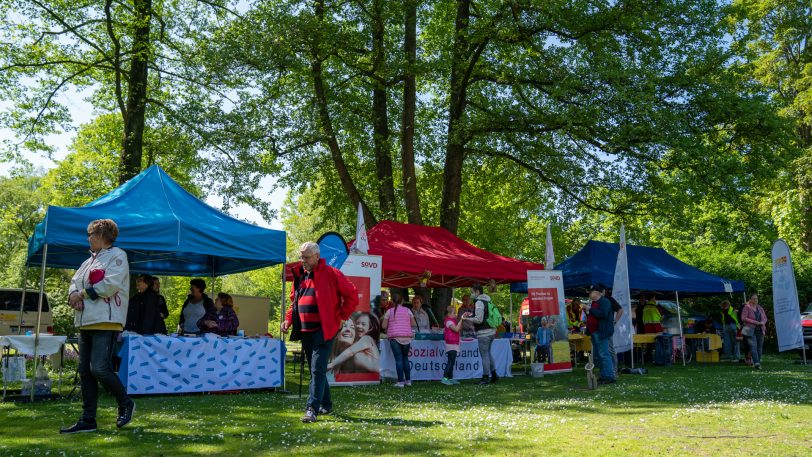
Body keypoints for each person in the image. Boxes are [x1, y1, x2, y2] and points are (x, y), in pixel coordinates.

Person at [61, 219, 135, 434]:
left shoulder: (117, 255)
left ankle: (126, 403)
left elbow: (110, 284)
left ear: (101, 235)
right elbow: (74, 283)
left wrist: (82, 294)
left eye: (91, 234)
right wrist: (72, 297)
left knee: (99, 368)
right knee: (85, 371)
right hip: (85, 321)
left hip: (107, 320)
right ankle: (88, 419)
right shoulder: (87, 262)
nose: (88, 238)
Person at [281, 241, 358, 423]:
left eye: (306, 257)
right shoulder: (300, 275)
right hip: (306, 329)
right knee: (318, 369)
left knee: (316, 369)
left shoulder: (332, 273)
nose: (303, 260)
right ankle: (327, 404)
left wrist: (342, 316)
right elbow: (295, 302)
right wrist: (288, 319)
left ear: (317, 256)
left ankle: (311, 409)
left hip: (324, 330)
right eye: (301, 257)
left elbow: (352, 295)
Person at [462, 283, 497, 385]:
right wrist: (472, 314)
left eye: (472, 292)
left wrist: (466, 318)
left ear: (477, 292)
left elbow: (479, 319)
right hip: (491, 331)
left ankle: (485, 377)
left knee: (484, 355)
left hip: (483, 332)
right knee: (488, 353)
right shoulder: (488, 300)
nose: (471, 294)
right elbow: (484, 315)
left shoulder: (479, 302)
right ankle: (494, 375)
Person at [582, 285, 615, 384]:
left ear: (597, 293)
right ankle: (604, 375)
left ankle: (609, 376)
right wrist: (587, 311)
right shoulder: (595, 303)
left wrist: (590, 309)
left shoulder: (604, 301)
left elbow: (603, 314)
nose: (589, 293)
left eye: (591, 292)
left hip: (601, 332)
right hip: (594, 332)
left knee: (604, 354)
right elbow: (594, 315)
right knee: (599, 355)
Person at [382, 293, 416, 387]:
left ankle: (400, 382)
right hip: (407, 338)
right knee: (405, 358)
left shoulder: (389, 311)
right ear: (402, 301)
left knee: (399, 360)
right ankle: (408, 381)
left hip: (395, 337)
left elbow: (384, 326)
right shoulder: (408, 310)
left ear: (392, 301)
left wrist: (390, 323)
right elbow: (413, 323)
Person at [741, 293, 768, 370]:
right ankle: (756, 363)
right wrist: (755, 322)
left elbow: (765, 318)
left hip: (760, 329)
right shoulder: (746, 307)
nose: (755, 300)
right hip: (750, 330)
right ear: (750, 299)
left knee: (759, 348)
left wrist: (763, 322)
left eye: (756, 298)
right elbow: (743, 318)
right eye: (753, 299)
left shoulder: (760, 308)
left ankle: (758, 363)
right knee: (753, 347)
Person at [441, 305, 463, 385]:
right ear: (449, 314)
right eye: (454, 313)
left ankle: (450, 378)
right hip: (451, 344)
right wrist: (461, 320)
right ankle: (445, 378)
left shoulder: (451, 321)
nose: (455, 315)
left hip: (453, 343)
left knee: (452, 362)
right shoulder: (449, 322)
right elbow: (456, 329)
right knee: (450, 362)